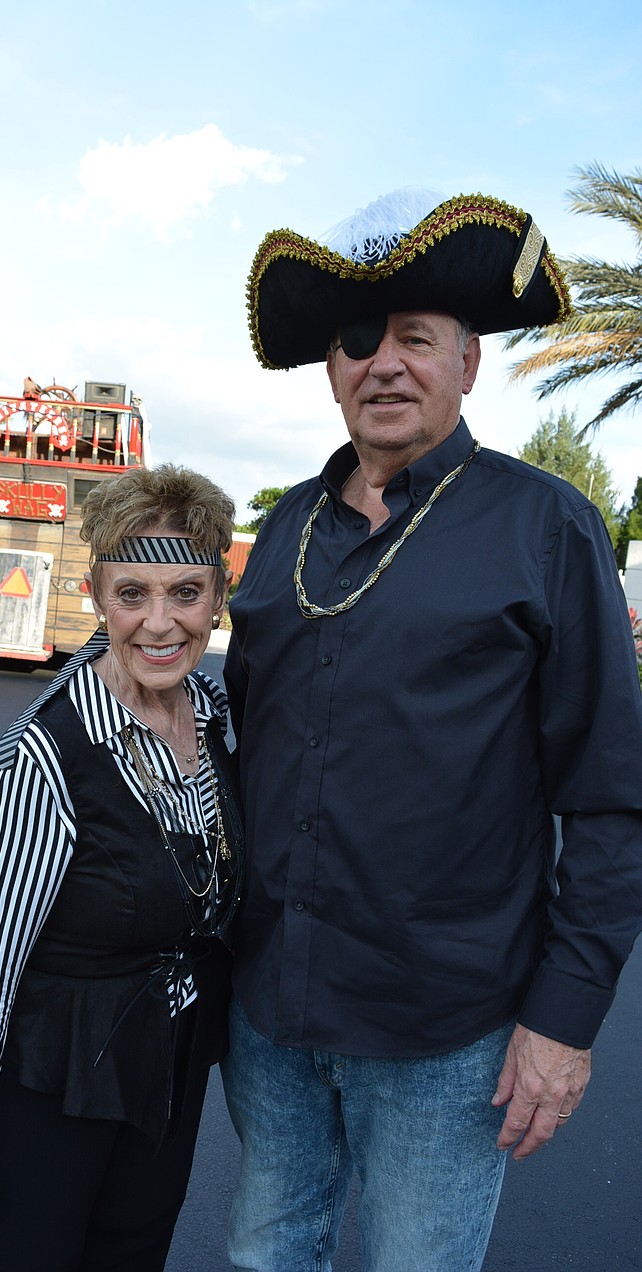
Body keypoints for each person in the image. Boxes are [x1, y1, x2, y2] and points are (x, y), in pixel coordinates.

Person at [222, 187, 642, 1272]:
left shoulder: (544, 526)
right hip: (268, 1008)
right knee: (267, 1259)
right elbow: (231, 744)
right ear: (330, 367)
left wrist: (564, 1019)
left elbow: (607, 790)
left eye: (416, 338)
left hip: (445, 1030)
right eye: (359, 343)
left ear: (469, 362)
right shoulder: (280, 533)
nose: (385, 365)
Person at [0, 464, 244, 1272]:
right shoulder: (46, 759)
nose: (159, 622)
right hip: (51, 1093)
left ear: (219, 595)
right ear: (94, 595)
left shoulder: (212, 718)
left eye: (185, 592)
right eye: (131, 593)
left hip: (162, 1080)